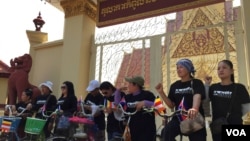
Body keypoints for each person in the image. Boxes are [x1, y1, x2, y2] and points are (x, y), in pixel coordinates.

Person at [155, 58, 207, 141]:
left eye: (181, 67)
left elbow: (197, 96)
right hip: (179, 118)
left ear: (188, 68)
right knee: (165, 133)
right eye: (177, 68)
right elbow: (171, 105)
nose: (178, 70)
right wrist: (161, 93)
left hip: (194, 118)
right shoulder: (174, 85)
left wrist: (194, 108)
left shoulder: (197, 83)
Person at [205, 59, 250, 141]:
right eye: (218, 68)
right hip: (218, 126)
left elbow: (246, 107)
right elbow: (206, 101)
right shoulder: (213, 87)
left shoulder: (240, 88)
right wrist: (207, 85)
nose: (221, 70)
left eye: (224, 67)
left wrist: (235, 116)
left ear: (232, 71)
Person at [115, 75, 156, 141]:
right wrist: (118, 91)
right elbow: (118, 105)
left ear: (135, 85)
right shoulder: (128, 97)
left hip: (147, 130)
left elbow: (160, 106)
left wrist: (144, 103)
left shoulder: (148, 94)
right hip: (133, 130)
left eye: (129, 84)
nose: (128, 86)